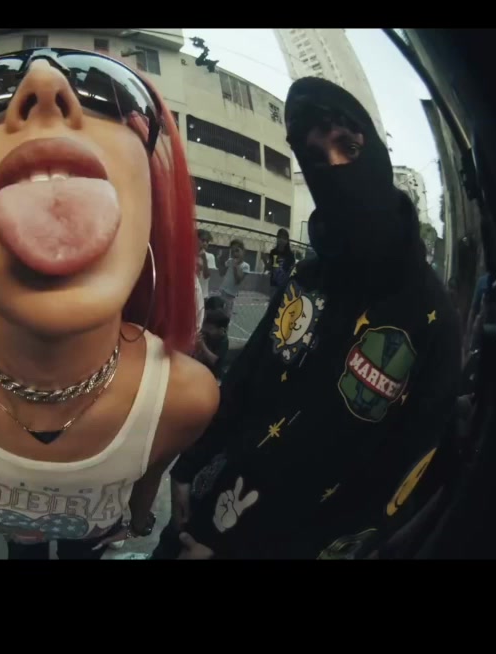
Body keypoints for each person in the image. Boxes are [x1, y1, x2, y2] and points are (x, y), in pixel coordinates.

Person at [0, 48, 218, 560]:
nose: (44, 84)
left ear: (146, 206)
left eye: (106, 92)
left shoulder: (188, 399)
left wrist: (138, 517)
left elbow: (144, 488)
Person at [156, 76, 461, 560]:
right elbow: (247, 375)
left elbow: (393, 491)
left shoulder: (433, 321)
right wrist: (188, 466)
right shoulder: (309, 276)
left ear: (375, 153)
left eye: (349, 147)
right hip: (208, 505)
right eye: (317, 158)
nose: (334, 168)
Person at [194, 308, 232, 382]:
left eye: (210, 328)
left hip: (211, 374)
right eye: (205, 326)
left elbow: (215, 361)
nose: (205, 329)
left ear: (221, 330)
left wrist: (202, 345)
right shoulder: (207, 334)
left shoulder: (223, 341)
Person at [218, 239, 251, 317]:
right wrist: (221, 261)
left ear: (243, 251)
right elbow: (222, 273)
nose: (235, 254)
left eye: (237, 251)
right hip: (223, 291)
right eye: (232, 252)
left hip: (231, 295)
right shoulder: (230, 261)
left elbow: (238, 280)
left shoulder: (245, 266)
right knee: (219, 312)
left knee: (227, 315)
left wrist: (235, 266)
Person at [197, 229, 216, 299]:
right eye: (202, 240)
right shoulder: (189, 255)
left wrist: (204, 259)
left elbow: (206, 276)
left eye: (207, 241)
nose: (205, 243)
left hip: (202, 294)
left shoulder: (210, 257)